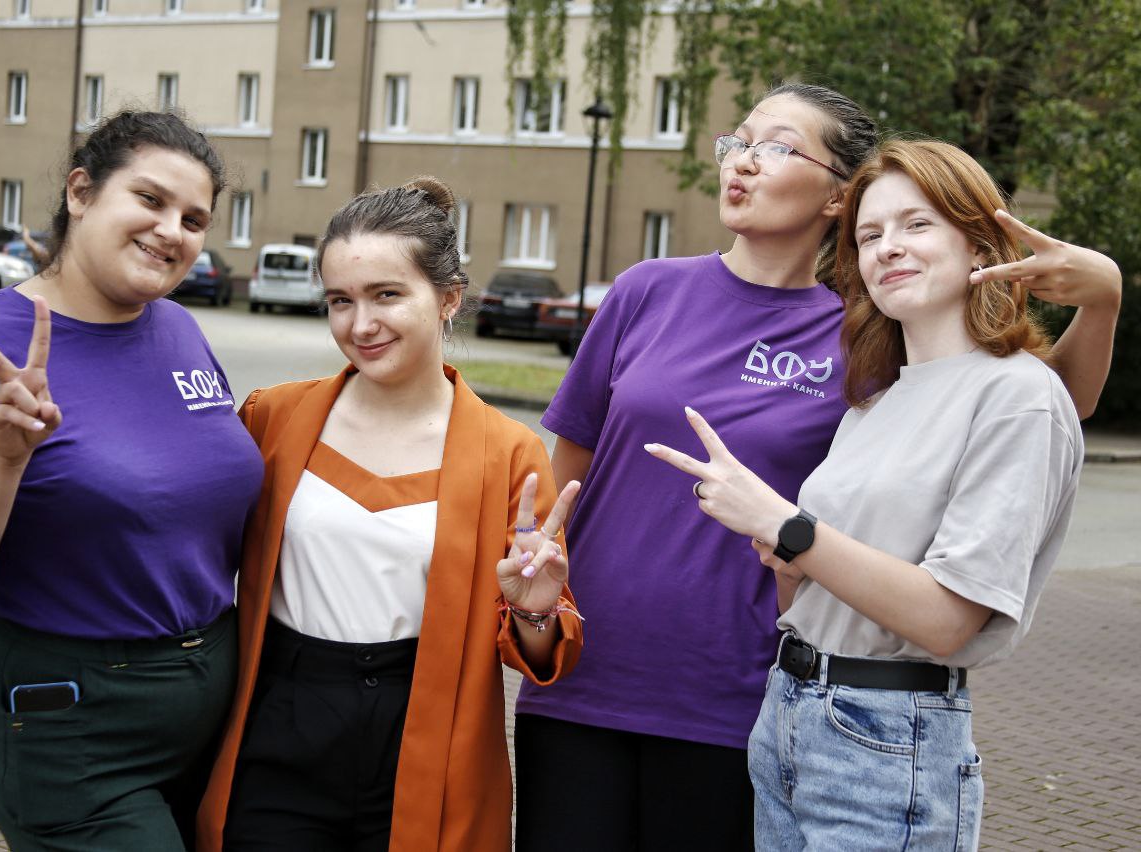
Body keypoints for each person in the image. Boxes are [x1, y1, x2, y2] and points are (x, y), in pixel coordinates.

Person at [514, 83, 1121, 850]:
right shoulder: (645, 292)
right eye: (737, 142)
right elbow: (564, 492)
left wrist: (1102, 298)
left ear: (837, 196)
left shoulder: (867, 333)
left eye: (776, 146)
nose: (743, 162)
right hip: (587, 682)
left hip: (736, 699)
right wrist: (537, 613)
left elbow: (1034, 396)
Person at [646, 138, 1085, 849]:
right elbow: (807, 597)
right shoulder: (872, 404)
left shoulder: (1018, 395)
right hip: (788, 714)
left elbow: (947, 622)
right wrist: (788, 560)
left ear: (979, 247)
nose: (889, 248)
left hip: (887, 736)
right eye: (870, 235)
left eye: (917, 224)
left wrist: (788, 528)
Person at [0, 111, 265, 851]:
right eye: (149, 199)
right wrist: (4, 458)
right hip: (72, 722)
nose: (172, 231)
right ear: (81, 192)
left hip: (214, 707)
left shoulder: (178, 329)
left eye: (193, 219)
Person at [195, 176, 584, 852]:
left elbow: (543, 651)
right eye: (340, 301)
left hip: (426, 733)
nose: (360, 325)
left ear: (449, 298)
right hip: (281, 720)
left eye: (386, 295)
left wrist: (534, 611)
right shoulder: (273, 418)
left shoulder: (507, 453)